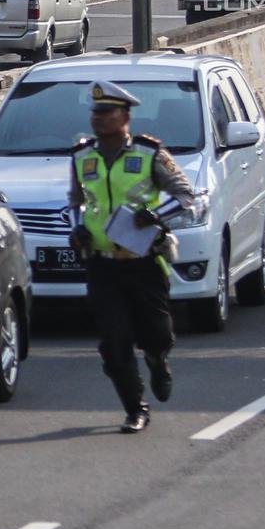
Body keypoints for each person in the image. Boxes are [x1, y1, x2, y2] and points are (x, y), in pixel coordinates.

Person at [68, 80, 195, 433]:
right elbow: (77, 201)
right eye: (95, 113)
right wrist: (77, 228)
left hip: (143, 261)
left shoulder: (149, 153)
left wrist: (156, 216)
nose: (99, 119)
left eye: (106, 112)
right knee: (114, 342)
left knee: (157, 333)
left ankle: (157, 359)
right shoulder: (82, 156)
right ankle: (135, 408)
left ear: (125, 116)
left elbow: (185, 195)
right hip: (102, 264)